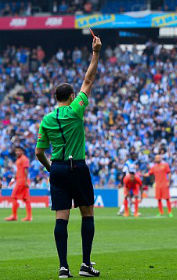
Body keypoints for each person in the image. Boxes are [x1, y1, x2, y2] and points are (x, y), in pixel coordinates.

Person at [35, 36, 102, 278]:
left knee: (61, 218)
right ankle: (85, 264)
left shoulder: (46, 120)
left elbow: (39, 152)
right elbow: (89, 79)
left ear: (56, 98)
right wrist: (95, 53)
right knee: (87, 214)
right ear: (72, 97)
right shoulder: (75, 111)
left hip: (58, 169)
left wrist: (50, 168)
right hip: (78, 167)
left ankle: (63, 267)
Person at [5, 146, 32, 222]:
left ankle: (14, 215)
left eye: (19, 151)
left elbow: (26, 170)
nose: (17, 152)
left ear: (22, 151)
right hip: (21, 180)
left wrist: (26, 181)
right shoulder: (19, 159)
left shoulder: (24, 159)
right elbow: (19, 171)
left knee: (13, 196)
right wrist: (13, 179)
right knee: (26, 199)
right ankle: (29, 217)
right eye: (16, 151)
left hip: (22, 181)